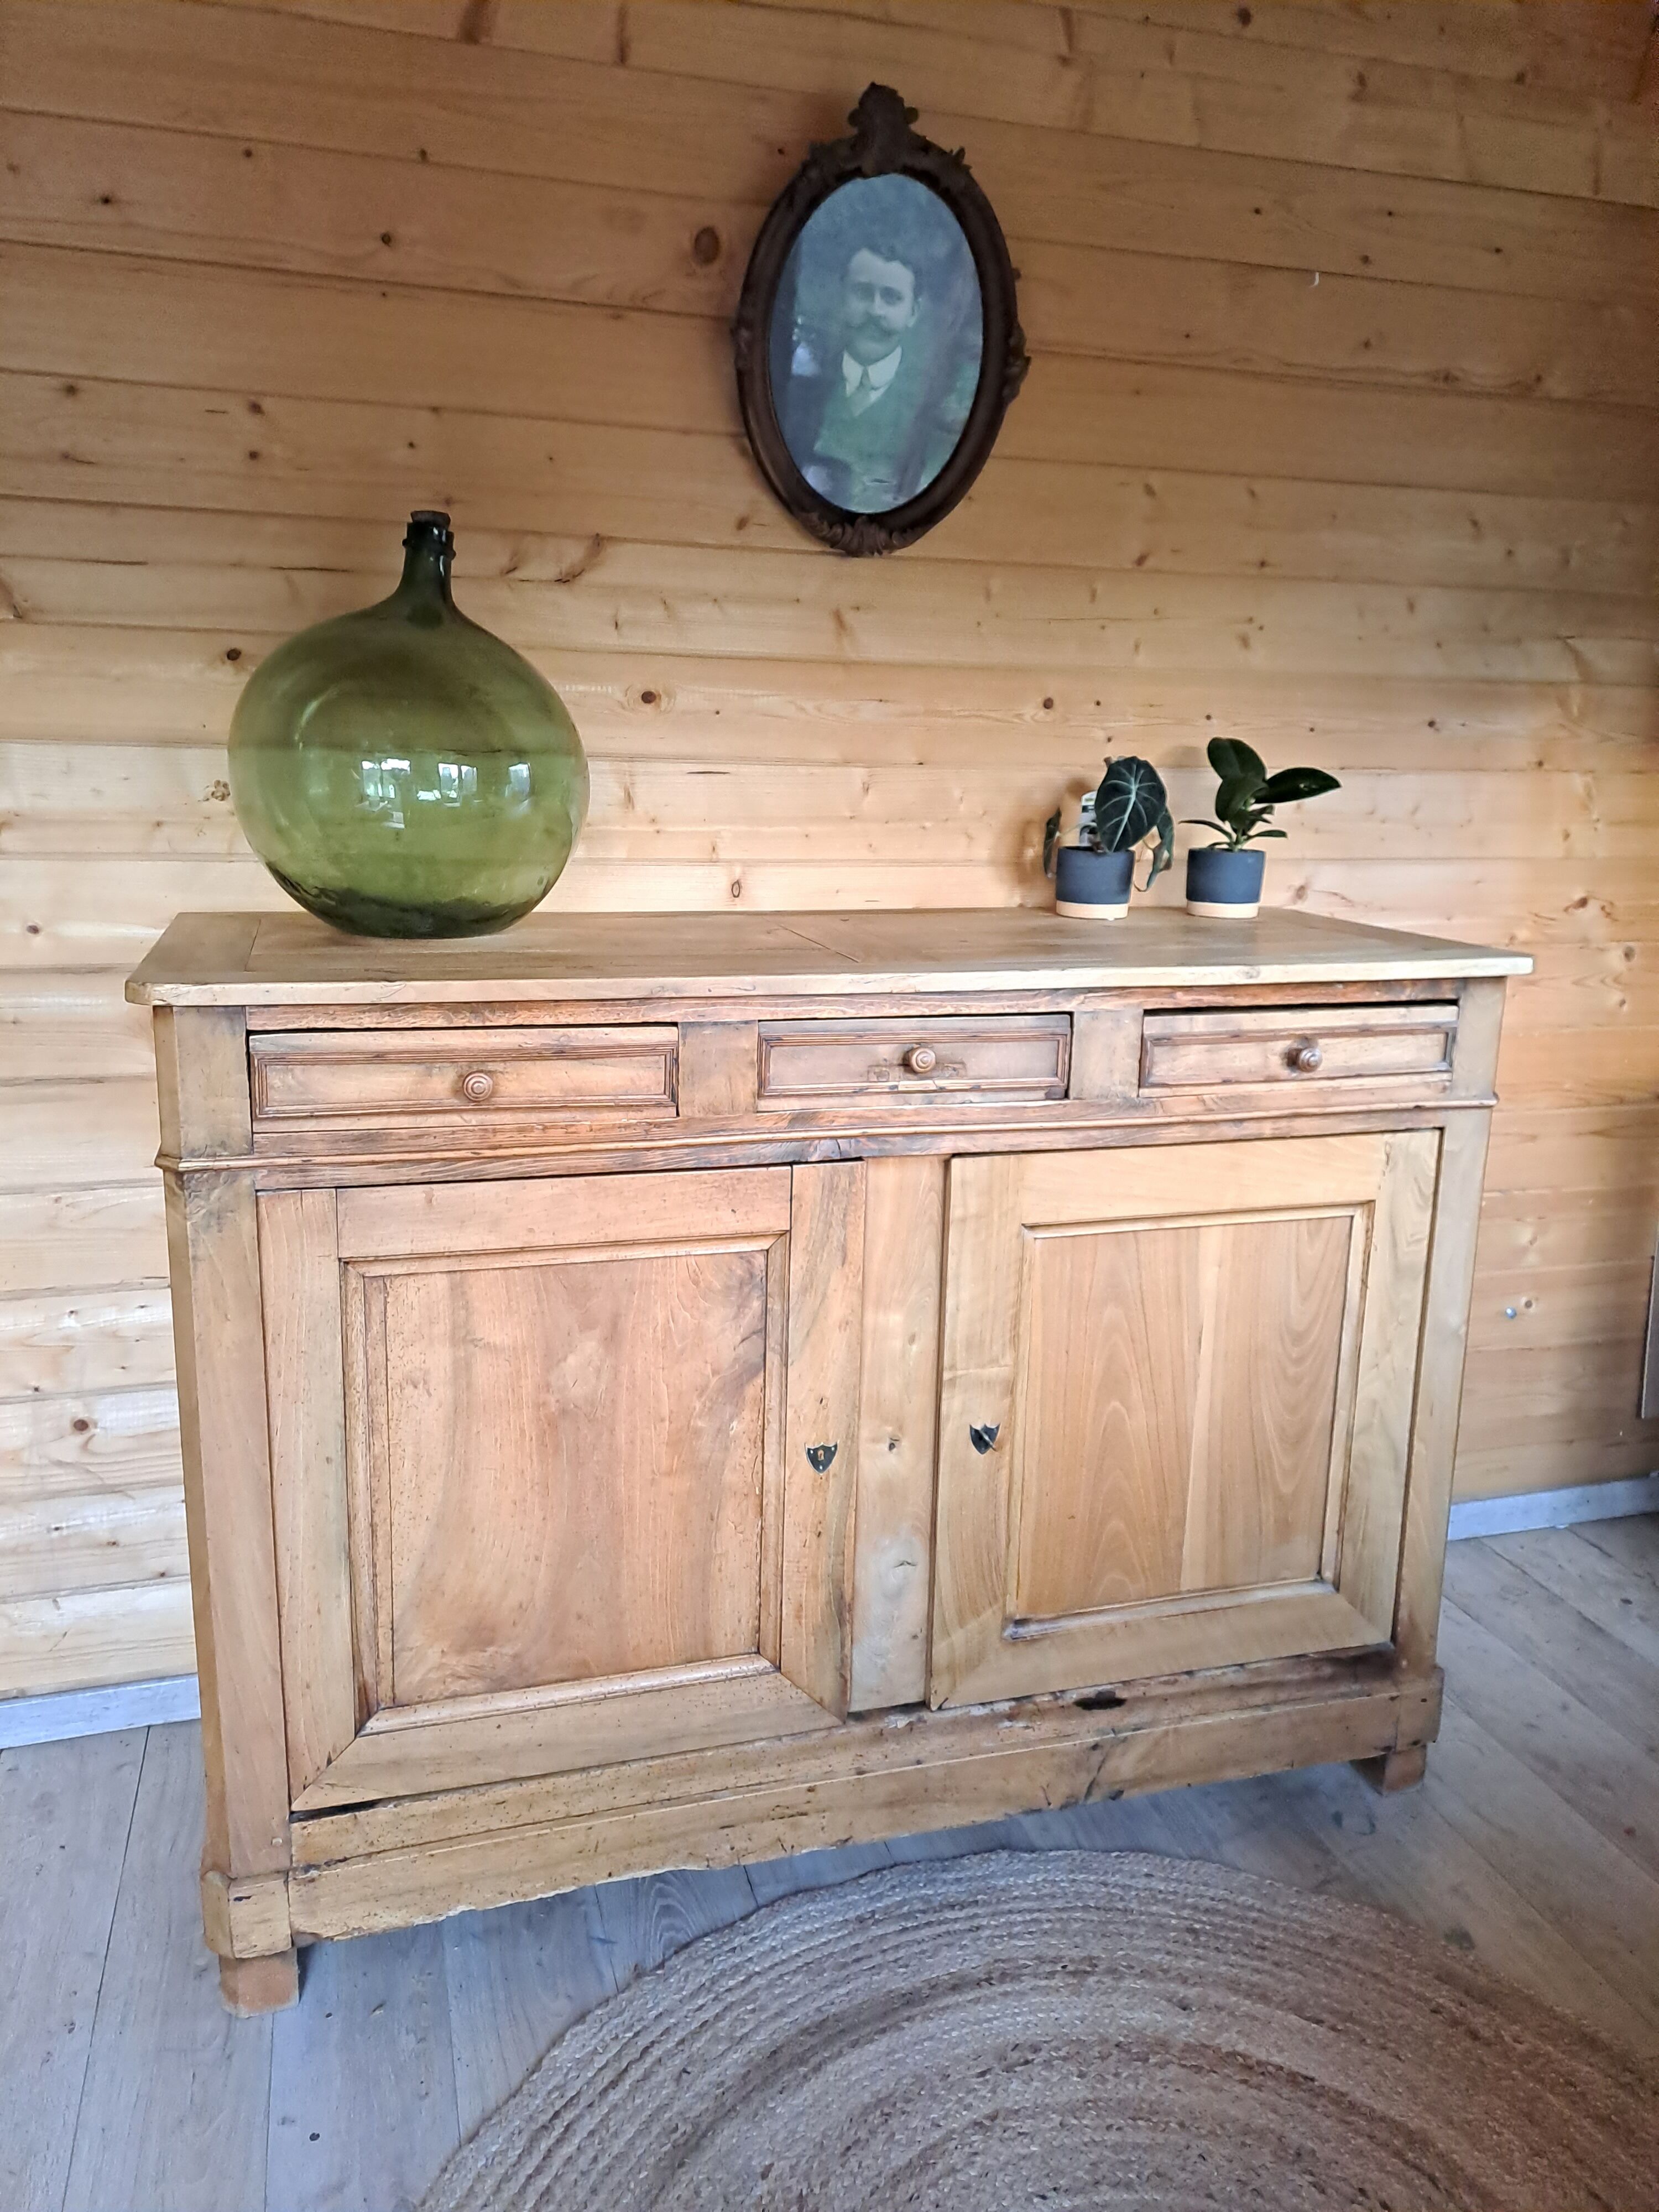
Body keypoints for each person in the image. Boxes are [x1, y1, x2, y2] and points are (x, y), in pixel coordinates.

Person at [791, 236, 979, 513]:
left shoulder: (933, 404)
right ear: (842, 297)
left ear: (913, 312)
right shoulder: (804, 381)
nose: (875, 310)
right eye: (862, 293)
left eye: (891, 298)